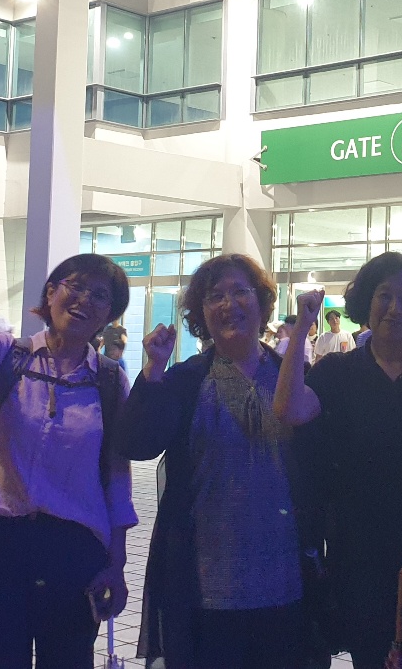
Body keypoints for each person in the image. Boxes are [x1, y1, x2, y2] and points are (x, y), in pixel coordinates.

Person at [0, 206, 136, 668]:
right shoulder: (4, 357)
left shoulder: (108, 380)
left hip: (74, 554)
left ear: (109, 315)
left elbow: (116, 479)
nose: (83, 300)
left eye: (99, 296)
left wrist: (116, 565)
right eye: (74, 286)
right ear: (50, 293)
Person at [273, 257, 402, 669]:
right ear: (367, 302)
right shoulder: (338, 372)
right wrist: (302, 327)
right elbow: (289, 409)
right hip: (361, 558)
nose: (395, 309)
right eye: (385, 296)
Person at [118, 254, 310, 669]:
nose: (228, 304)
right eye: (215, 296)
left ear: (262, 304)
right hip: (206, 583)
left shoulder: (292, 376)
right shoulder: (187, 380)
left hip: (284, 576)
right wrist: (153, 369)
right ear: (201, 314)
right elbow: (137, 443)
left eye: (240, 292)